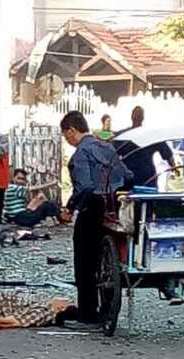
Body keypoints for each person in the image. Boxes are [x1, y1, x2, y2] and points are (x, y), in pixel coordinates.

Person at [62, 111, 131, 325]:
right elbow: (128, 175)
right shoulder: (107, 147)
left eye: (66, 135)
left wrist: (70, 207)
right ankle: (108, 307)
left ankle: (88, 310)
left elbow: (85, 187)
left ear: (72, 130)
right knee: (109, 261)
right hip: (114, 208)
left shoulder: (81, 154)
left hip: (92, 208)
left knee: (84, 261)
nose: (67, 140)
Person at [113, 106, 177, 188]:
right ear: (143, 118)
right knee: (148, 198)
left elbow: (112, 155)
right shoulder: (151, 134)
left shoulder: (122, 136)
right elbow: (167, 154)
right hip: (147, 176)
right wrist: (173, 166)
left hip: (127, 175)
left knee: (128, 199)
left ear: (131, 117)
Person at [0, 292, 78, 329]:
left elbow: (11, 321)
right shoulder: (45, 304)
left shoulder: (44, 312)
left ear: (61, 308)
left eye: (66, 302)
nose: (64, 299)